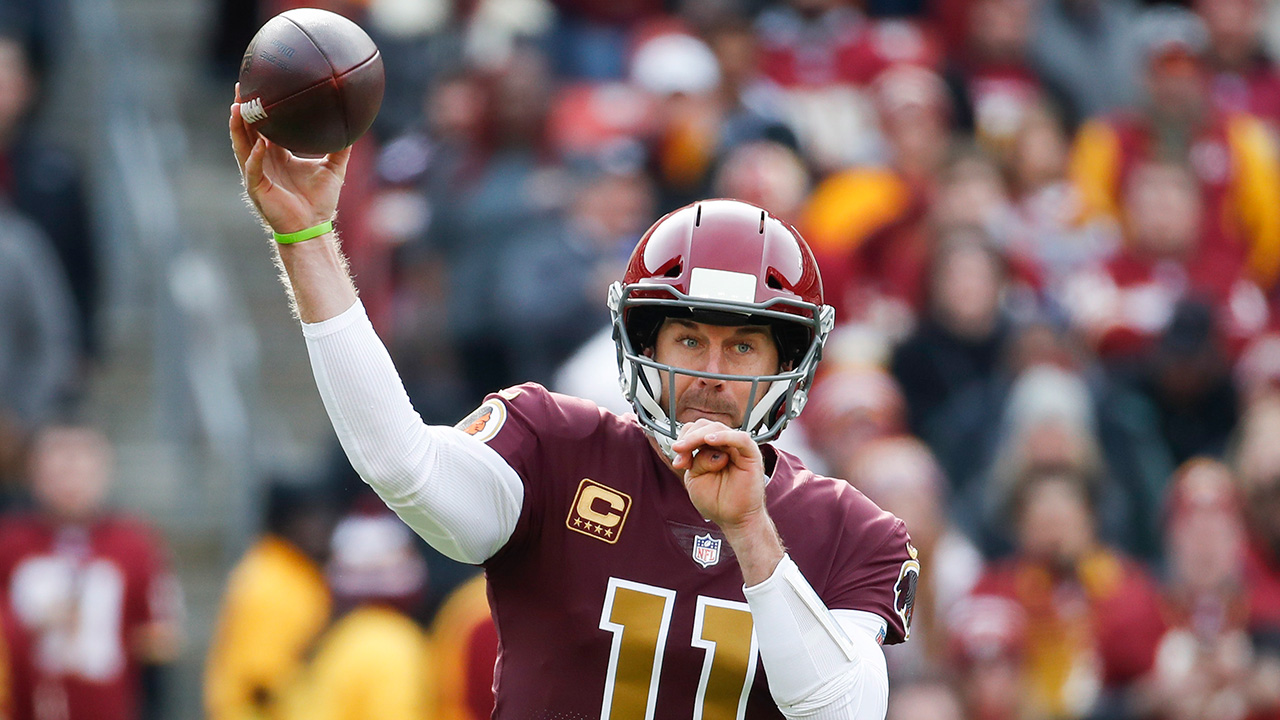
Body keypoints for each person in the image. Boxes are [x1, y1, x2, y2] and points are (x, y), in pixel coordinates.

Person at [230, 89, 918, 718]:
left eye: (743, 347)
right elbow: (399, 463)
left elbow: (841, 712)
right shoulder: (552, 447)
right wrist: (307, 238)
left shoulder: (854, 531)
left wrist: (751, 533)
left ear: (787, 365)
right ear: (642, 342)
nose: (711, 372)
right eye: (687, 339)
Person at [0, 426, 182, 720]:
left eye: (81, 470)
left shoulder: (134, 542)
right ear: (34, 474)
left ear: (104, 473)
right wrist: (29, 622)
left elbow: (155, 642)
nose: (70, 482)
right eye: (59, 471)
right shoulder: (10, 541)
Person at [204, 481, 335, 720]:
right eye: (311, 518)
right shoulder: (277, 582)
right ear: (285, 522)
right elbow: (261, 679)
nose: (323, 529)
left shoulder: (280, 568)